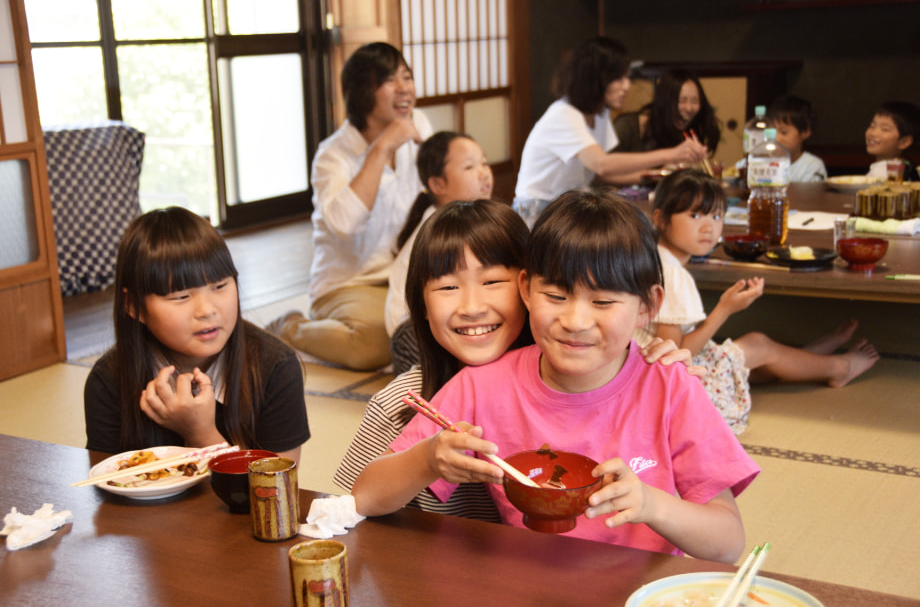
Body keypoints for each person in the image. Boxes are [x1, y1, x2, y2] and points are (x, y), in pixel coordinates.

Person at [352, 190, 758, 563]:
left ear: (648, 305)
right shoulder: (480, 387)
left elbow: (728, 542)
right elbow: (365, 496)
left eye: (602, 301)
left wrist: (652, 505)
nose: (575, 321)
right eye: (556, 296)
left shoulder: (670, 385)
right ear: (527, 289)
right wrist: (428, 458)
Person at [637, 170, 880, 434]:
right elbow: (672, 355)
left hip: (643, 373)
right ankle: (838, 368)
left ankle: (808, 354)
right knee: (757, 345)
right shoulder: (671, 274)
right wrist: (724, 309)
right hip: (657, 387)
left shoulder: (658, 259)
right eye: (694, 215)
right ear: (660, 218)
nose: (708, 227)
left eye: (717, 216)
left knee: (743, 361)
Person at [84, 207, 310, 461]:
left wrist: (200, 433)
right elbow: (107, 484)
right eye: (181, 296)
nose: (207, 310)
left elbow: (276, 492)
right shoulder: (109, 381)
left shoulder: (274, 368)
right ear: (134, 306)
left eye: (220, 286)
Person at [269, 42, 433, 370]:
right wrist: (383, 145)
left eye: (407, 76)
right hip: (348, 283)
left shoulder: (420, 126)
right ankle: (291, 327)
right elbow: (345, 223)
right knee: (375, 344)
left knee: (437, 326)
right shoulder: (333, 155)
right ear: (361, 93)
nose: (405, 89)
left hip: (402, 272)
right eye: (389, 80)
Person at [513, 37, 707, 226]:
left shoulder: (599, 114)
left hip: (566, 208)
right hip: (537, 211)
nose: (627, 86)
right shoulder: (563, 114)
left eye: (627, 77)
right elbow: (602, 165)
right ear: (596, 79)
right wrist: (672, 153)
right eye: (619, 78)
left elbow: (603, 176)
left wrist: (662, 174)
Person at [386, 132, 494, 375]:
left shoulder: (478, 223)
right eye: (469, 166)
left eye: (484, 163)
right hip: (416, 330)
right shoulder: (434, 234)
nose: (483, 172)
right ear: (437, 184)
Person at [614, 68, 721, 158]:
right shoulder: (627, 126)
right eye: (681, 100)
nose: (689, 108)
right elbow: (603, 173)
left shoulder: (687, 134)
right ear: (664, 101)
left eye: (695, 101)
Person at [767, 95, 827, 182]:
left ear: (805, 132)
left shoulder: (812, 166)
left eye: (783, 132)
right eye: (772, 132)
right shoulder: (762, 160)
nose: (776, 138)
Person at [865, 101, 920, 181]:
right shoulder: (906, 167)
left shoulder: (884, 173)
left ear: (904, 142)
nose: (872, 133)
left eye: (885, 129)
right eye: (872, 126)